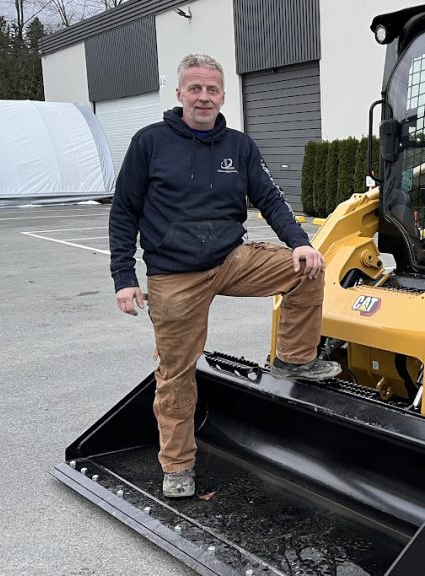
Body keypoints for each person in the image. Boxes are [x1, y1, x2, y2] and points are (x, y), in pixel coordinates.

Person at [108, 54, 340, 499]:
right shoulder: (149, 143)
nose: (203, 97)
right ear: (179, 94)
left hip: (231, 258)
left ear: (222, 96)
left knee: (307, 269)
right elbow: (124, 213)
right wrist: (124, 275)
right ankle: (177, 465)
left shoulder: (239, 146)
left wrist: (301, 243)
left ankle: (295, 358)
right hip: (174, 275)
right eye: (194, 88)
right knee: (176, 375)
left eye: (211, 89)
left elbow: (270, 198)